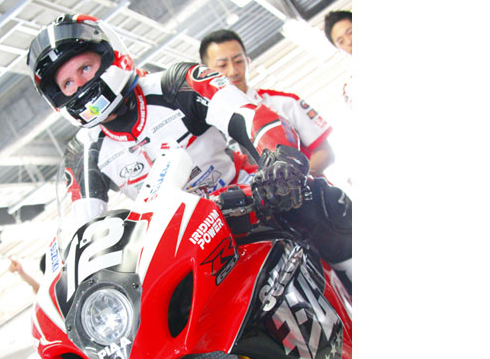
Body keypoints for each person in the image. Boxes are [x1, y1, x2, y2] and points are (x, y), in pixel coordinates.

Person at [26, 14, 351, 276]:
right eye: (67, 83)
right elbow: (85, 227)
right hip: (177, 250)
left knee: (322, 203)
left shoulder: (175, 83)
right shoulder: (83, 151)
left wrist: (277, 157)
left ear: (109, 55)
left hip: (251, 205)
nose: (80, 85)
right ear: (58, 97)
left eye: (85, 68)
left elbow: (248, 114)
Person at [199, 29, 335, 177]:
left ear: (247, 61)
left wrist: (294, 180)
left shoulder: (284, 103)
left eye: (238, 61)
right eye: (222, 65)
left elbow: (325, 154)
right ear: (206, 72)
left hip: (309, 189)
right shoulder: (206, 126)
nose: (233, 71)